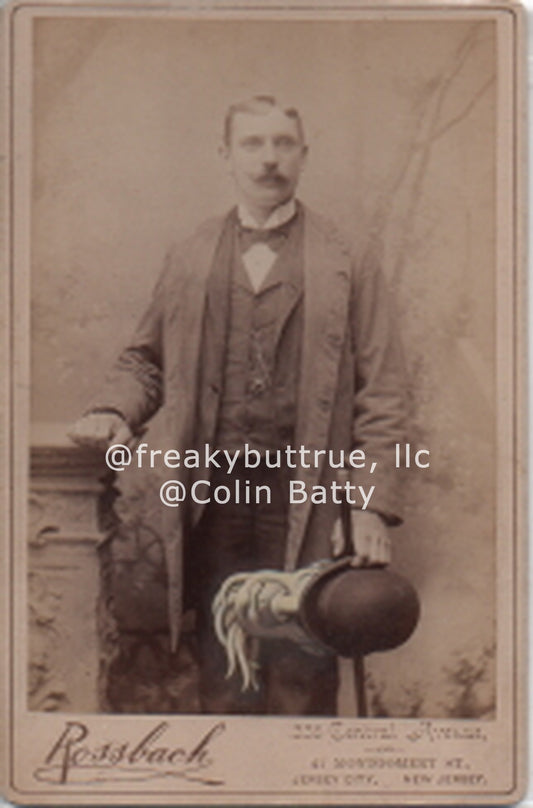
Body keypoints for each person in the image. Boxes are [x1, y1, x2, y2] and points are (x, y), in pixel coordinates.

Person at [70, 95, 408, 715]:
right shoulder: (190, 255)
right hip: (214, 498)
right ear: (225, 155)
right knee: (225, 665)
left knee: (304, 668)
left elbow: (383, 392)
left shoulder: (347, 259)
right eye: (253, 144)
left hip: (308, 497)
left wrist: (371, 506)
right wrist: (115, 410)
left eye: (283, 144)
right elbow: (144, 360)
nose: (269, 160)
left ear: (304, 155)